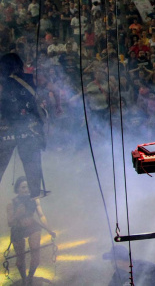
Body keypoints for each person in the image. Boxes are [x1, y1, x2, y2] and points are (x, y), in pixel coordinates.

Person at [0, 53, 47, 198]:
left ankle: (35, 191)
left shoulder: (3, 83)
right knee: (31, 161)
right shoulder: (29, 80)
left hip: (7, 130)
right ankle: (35, 191)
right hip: (28, 129)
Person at [7, 176, 54, 285]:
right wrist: (17, 215)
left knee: (35, 251)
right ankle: (24, 280)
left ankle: (30, 277)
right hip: (17, 229)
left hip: (32, 226)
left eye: (28, 187)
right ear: (17, 189)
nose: (26, 189)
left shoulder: (35, 199)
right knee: (20, 259)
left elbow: (41, 216)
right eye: (23, 187)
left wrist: (49, 230)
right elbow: (9, 223)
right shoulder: (12, 203)